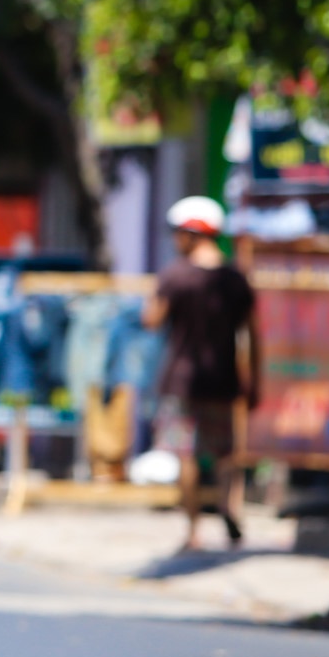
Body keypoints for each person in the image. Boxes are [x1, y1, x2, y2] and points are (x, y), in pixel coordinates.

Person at [144, 195, 259, 550]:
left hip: (181, 381)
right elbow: (253, 334)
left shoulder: (176, 275)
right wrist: (254, 381)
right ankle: (229, 509)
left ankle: (193, 530)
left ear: (192, 233)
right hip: (224, 380)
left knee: (186, 454)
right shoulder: (235, 278)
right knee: (226, 453)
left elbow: (151, 320)